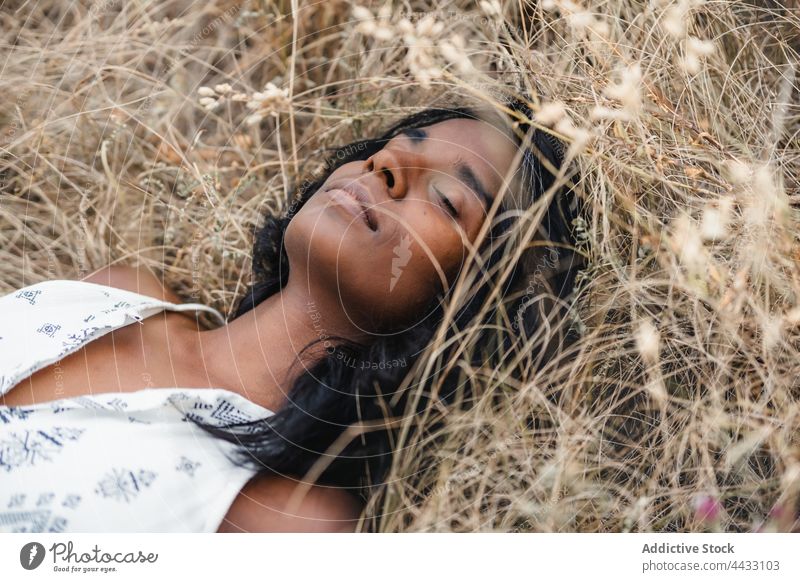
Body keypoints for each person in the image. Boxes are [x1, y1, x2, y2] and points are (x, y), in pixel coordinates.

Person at [0, 97, 581, 532]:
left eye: (449, 199)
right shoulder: (114, 295)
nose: (388, 162)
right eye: (405, 140)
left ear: (467, 308)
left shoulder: (285, 521)